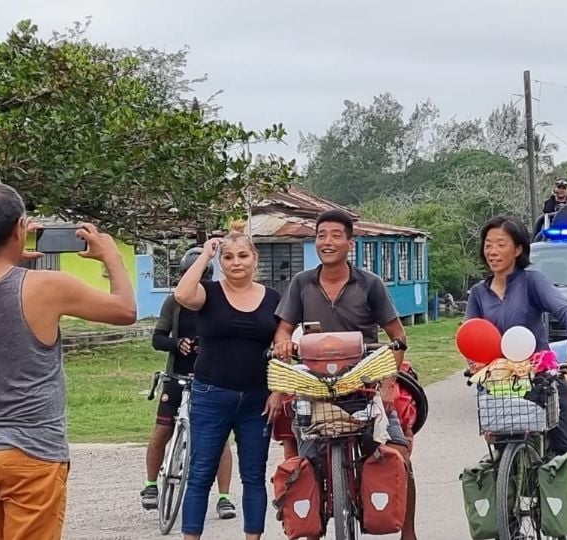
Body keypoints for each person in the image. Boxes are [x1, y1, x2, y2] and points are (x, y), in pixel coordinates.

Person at [0, 183, 137, 540]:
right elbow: (126, 310)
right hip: (32, 451)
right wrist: (110, 255)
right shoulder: (46, 286)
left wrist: (9, 262)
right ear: (21, 227)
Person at [269, 208, 418, 540]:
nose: (327, 241)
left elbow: (397, 338)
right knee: (300, 464)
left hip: (364, 382)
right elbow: (282, 331)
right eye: (321, 235)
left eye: (336, 235)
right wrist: (282, 346)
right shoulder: (301, 283)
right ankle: (309, 525)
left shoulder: (370, 284)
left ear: (350, 244)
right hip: (315, 385)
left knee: (398, 456)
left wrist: (389, 384)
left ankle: (409, 533)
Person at [464, 215, 567, 540]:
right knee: (499, 455)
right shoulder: (478, 293)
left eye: (501, 244)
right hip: (501, 385)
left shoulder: (531, 281)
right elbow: (470, 335)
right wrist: (473, 362)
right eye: (488, 245)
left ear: (518, 249)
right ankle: (507, 515)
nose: (493, 251)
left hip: (542, 380)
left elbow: (566, 311)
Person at [173, 221, 281, 540]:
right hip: (211, 394)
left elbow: (281, 349)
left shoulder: (273, 299)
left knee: (253, 475)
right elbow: (182, 294)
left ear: (255, 258)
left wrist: (277, 392)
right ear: (221, 262)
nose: (236, 263)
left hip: (257, 399)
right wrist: (206, 255)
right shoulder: (208, 293)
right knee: (201, 474)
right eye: (229, 257)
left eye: (243, 256)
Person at [141, 247, 237, 520]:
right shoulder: (174, 302)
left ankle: (224, 497)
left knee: (220, 440)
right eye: (186, 274)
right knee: (162, 430)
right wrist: (177, 343)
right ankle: (150, 485)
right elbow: (158, 338)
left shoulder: (220, 300)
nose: (192, 279)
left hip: (212, 378)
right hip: (177, 377)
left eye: (199, 275)